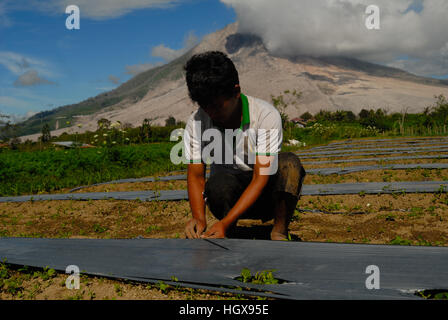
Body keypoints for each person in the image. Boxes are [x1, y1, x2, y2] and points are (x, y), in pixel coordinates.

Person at [182, 51, 306, 241]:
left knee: (290, 164)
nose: (210, 113)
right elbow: (196, 175)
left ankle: (279, 231)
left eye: (216, 106)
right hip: (227, 195)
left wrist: (225, 221)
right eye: (204, 106)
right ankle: (227, 229)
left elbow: (260, 177)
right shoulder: (197, 122)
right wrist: (198, 218)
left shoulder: (265, 115)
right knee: (217, 184)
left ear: (236, 91)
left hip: (267, 196)